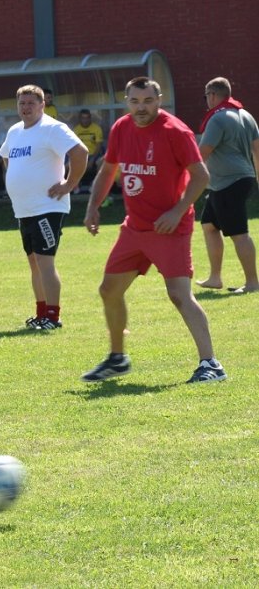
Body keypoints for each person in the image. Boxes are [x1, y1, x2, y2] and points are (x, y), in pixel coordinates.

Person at [81, 76, 226, 385]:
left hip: (169, 228)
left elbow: (201, 176)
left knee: (179, 295)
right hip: (135, 228)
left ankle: (211, 364)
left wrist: (177, 211)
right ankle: (117, 359)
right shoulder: (121, 127)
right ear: (126, 101)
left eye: (147, 101)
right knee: (109, 290)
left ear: (159, 100)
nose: (141, 108)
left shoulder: (176, 131)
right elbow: (109, 169)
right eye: (135, 101)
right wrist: (93, 206)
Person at [0, 85, 88, 330]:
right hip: (24, 208)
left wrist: (69, 184)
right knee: (33, 262)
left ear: (42, 105)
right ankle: (40, 312)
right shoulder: (16, 131)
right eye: (21, 103)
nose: (25, 108)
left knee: (44, 261)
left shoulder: (52, 128)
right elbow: (6, 156)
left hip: (47, 207)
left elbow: (80, 153)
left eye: (31, 103)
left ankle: (53, 316)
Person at [194, 77, 259, 294]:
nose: (206, 101)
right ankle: (215, 278)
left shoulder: (217, 119)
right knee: (209, 226)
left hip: (229, 182)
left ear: (213, 95)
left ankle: (252, 283)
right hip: (234, 180)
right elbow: (257, 151)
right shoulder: (246, 115)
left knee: (239, 233)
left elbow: (202, 153)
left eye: (206, 96)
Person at [72, 109, 105, 190]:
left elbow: (99, 146)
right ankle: (75, 186)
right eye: (83, 118)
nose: (85, 120)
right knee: (68, 165)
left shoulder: (97, 128)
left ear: (90, 118)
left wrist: (92, 159)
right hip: (81, 155)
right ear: (80, 119)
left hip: (94, 154)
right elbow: (74, 147)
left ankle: (96, 187)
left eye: (87, 118)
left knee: (99, 163)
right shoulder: (76, 130)